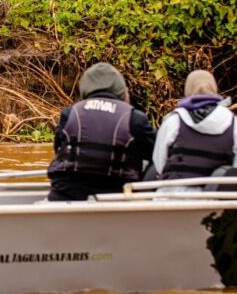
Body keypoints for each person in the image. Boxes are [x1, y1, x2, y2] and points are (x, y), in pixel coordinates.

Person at [47, 63, 156, 201]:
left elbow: (58, 149)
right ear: (122, 91)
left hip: (65, 194)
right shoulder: (135, 118)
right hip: (117, 196)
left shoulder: (70, 113)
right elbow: (158, 155)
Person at [152, 70, 237, 193]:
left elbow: (159, 162)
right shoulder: (232, 121)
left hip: (173, 197)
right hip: (212, 200)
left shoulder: (174, 120)